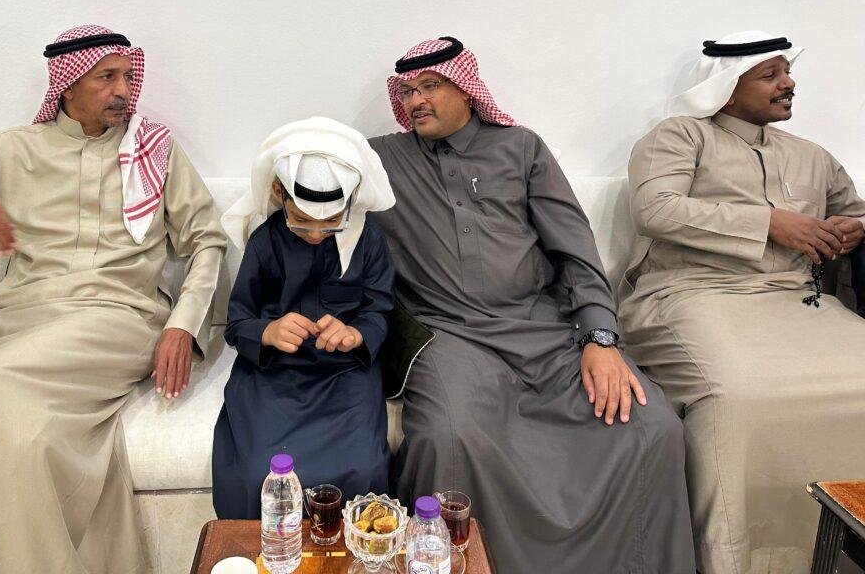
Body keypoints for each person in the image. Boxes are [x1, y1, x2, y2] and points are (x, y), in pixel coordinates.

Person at [0, 25, 227, 574]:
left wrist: (182, 324)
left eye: (127, 76)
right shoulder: (9, 150)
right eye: (106, 77)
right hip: (22, 324)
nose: (123, 90)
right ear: (67, 84)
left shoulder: (153, 150)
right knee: (18, 432)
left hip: (118, 318)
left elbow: (207, 240)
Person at [368, 36, 695, 573]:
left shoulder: (521, 148)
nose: (416, 100)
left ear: (467, 89)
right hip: (449, 336)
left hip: (545, 330)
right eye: (406, 92)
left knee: (651, 427)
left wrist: (600, 338)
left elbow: (575, 249)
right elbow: (305, 167)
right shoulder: (382, 158)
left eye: (430, 86)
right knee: (449, 438)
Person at [618, 31, 865, 574]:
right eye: (770, 75)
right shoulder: (680, 136)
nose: (788, 83)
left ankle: (844, 548)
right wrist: (768, 223)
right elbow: (655, 209)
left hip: (796, 301)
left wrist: (854, 229)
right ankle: (736, 560)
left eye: (787, 72)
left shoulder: (811, 156)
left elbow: (855, 210)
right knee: (738, 395)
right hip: (690, 295)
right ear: (727, 88)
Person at [212, 117, 396, 518]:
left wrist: (355, 334)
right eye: (302, 221)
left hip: (345, 375)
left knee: (364, 467)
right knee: (255, 473)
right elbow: (237, 322)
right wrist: (269, 331)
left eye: (330, 223)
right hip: (274, 375)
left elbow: (379, 309)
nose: (314, 235)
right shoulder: (265, 241)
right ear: (279, 193)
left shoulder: (369, 240)